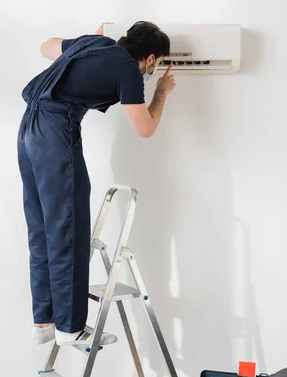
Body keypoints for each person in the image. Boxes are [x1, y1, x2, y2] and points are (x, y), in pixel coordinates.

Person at [17, 21, 175, 346]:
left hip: (29, 129)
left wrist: (88, 40)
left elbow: (46, 44)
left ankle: (44, 322)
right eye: (155, 64)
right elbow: (144, 128)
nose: (152, 69)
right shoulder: (128, 68)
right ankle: (70, 328)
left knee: (42, 228)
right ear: (150, 58)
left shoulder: (93, 44)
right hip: (55, 132)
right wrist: (160, 94)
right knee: (67, 227)